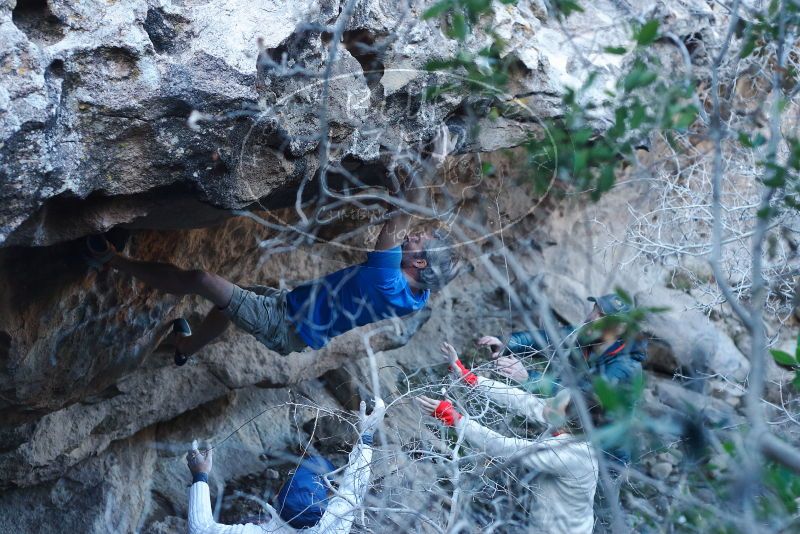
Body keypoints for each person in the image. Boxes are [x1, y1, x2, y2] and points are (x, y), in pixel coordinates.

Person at [86, 127, 462, 364]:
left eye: (420, 241)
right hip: (289, 309)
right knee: (226, 308)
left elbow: (402, 220)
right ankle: (184, 349)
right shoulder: (415, 296)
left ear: (422, 265)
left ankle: (111, 259)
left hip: (284, 324)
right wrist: (396, 194)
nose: (414, 236)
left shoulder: (387, 283)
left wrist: (434, 163)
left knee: (202, 279)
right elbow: (399, 220)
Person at [416, 383, 600, 534]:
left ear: (569, 420)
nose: (548, 401)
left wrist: (455, 419)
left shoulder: (569, 454)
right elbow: (524, 400)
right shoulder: (570, 431)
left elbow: (502, 447)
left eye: (556, 403)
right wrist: (474, 380)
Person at [185, 398, 385, 533]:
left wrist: (200, 474)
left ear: (277, 497)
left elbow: (200, 527)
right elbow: (352, 490)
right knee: (321, 467)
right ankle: (325, 481)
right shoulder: (331, 529)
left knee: (318, 467)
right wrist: (366, 435)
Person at [477, 293, 647, 390]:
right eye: (594, 309)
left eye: (602, 316)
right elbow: (546, 339)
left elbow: (584, 399)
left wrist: (529, 378)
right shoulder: (585, 334)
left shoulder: (625, 367)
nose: (591, 318)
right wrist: (508, 343)